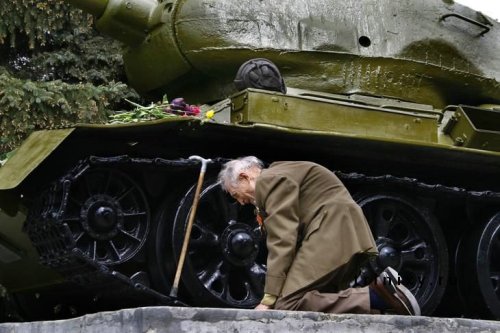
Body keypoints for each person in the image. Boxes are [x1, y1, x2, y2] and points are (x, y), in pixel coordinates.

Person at [217, 156, 420, 315]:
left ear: (244, 177)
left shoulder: (268, 181)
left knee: (287, 304)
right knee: (317, 299)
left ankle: (376, 296)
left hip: (331, 231)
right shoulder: (280, 174)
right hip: (340, 232)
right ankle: (385, 305)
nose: (241, 202)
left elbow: (282, 240)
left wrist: (268, 299)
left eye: (236, 194)